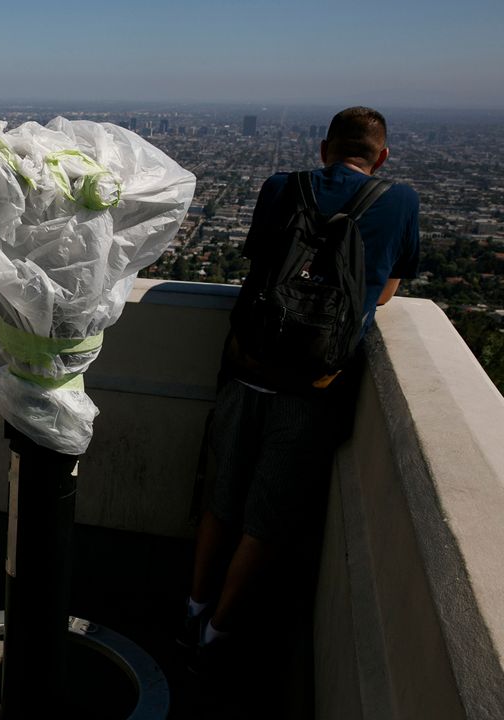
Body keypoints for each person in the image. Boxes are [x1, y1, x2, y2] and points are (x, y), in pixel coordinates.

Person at [181, 107, 420, 668]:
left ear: (323, 150)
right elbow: (385, 292)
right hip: (313, 384)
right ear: (381, 156)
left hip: (249, 365)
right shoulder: (400, 200)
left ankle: (191, 606)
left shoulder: (280, 187)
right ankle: (217, 634)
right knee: (268, 514)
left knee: (223, 494)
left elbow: (259, 263)